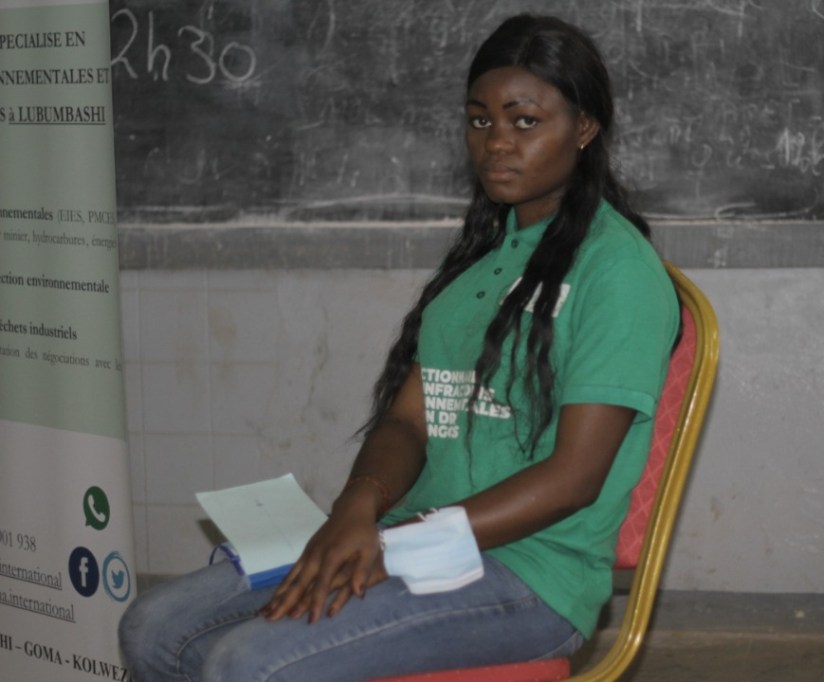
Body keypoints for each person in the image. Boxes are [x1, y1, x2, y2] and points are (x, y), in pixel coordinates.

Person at [118, 13, 679, 681]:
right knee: (154, 627)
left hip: (529, 575)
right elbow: (410, 419)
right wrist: (356, 507)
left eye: (525, 121)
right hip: (417, 539)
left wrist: (394, 545)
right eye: (480, 120)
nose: (497, 142)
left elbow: (573, 479)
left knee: (247, 663)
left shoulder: (617, 271)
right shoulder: (484, 260)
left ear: (583, 128)